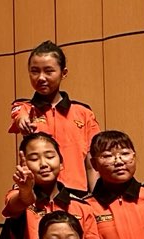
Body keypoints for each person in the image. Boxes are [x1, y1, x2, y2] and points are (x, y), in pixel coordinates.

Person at [0, 132, 99, 239]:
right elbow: (20, 202)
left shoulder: (82, 207)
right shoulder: (18, 196)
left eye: (50, 157)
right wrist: (25, 190)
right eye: (34, 158)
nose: (44, 164)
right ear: (23, 164)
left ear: (61, 163)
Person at [9, 41, 99, 192]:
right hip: (37, 192)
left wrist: (94, 198)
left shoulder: (84, 112)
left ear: (63, 73)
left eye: (49, 71)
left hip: (76, 191)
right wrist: (22, 121)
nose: (41, 77)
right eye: (35, 71)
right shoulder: (24, 107)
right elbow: (19, 116)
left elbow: (92, 165)